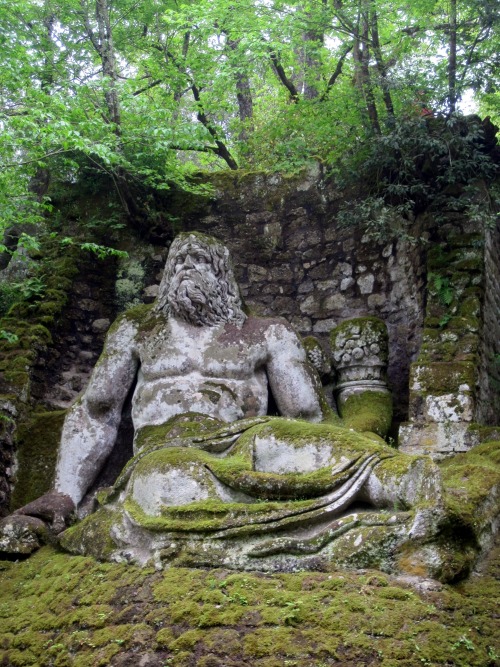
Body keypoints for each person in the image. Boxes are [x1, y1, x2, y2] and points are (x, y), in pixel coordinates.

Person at [4, 232, 443, 562]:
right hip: (170, 447)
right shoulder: (139, 331)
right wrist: (64, 494)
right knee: (173, 478)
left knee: (324, 450)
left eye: (201, 262)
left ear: (225, 277)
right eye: (179, 261)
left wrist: (330, 448)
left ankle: (418, 488)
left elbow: (307, 414)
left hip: (249, 434)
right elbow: (96, 411)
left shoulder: (266, 333)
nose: (188, 268)